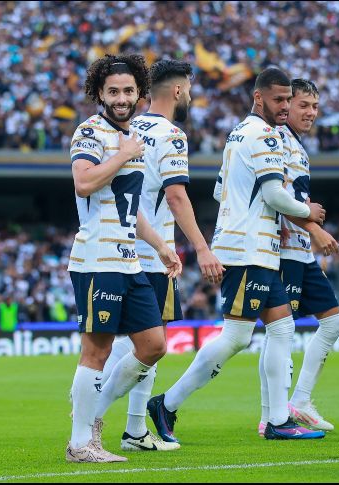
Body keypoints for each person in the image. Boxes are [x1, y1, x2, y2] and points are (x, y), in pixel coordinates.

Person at [148, 68, 326, 443]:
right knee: (234, 337)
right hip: (249, 249)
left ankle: (277, 420)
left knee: (281, 328)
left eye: (286, 100)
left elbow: (218, 192)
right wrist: (308, 212)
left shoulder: (238, 133)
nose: (283, 107)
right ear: (259, 97)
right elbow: (276, 195)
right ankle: (167, 403)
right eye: (278, 100)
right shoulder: (265, 136)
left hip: (250, 245)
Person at [96, 58, 224, 452]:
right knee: (151, 343)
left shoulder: (129, 129)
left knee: (142, 339)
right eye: (189, 88)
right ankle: (92, 407)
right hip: (152, 253)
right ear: (179, 90)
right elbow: (176, 194)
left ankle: (133, 429)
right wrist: (202, 248)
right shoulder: (172, 134)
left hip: (119, 244)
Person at [66, 54, 182, 463]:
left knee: (153, 345)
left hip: (129, 258)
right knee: (95, 351)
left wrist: (162, 246)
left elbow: (129, 208)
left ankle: (91, 415)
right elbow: (84, 183)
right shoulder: (91, 132)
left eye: (128, 91)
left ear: (140, 94)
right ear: (99, 93)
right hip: (97, 259)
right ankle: (82, 441)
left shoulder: (133, 136)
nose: (121, 97)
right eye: (113, 91)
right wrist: (122, 153)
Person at [258, 79, 339, 436]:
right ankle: (272, 415)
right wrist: (314, 227)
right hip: (286, 253)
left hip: (300, 251)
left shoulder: (296, 145)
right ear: (287, 105)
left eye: (315, 106)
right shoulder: (277, 140)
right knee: (278, 331)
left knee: (333, 322)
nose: (310, 112)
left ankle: (299, 401)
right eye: (303, 105)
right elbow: (274, 195)